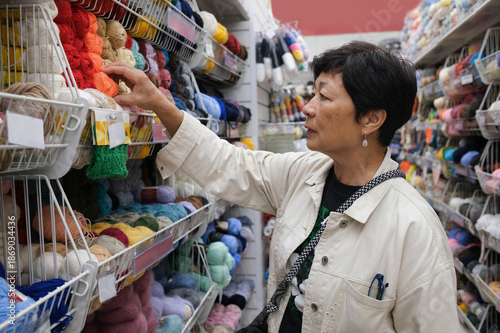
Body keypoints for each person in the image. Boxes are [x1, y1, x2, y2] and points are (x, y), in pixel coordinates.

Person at [102, 41, 459, 332]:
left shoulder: (414, 229)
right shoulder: (303, 174)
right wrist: (161, 105)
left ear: (370, 119)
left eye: (324, 97)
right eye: (312, 94)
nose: (307, 108)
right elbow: (230, 164)